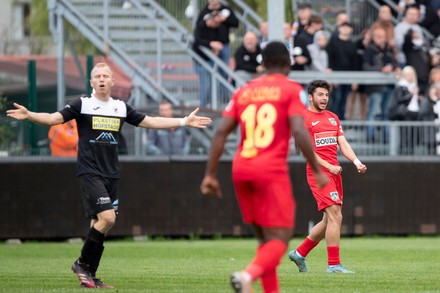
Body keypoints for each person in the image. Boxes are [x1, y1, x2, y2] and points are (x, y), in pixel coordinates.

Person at [6, 62, 212, 289]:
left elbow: (151, 121)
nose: (102, 79)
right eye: (98, 76)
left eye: (106, 75)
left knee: (100, 222)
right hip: (90, 171)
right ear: (92, 82)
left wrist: (184, 121)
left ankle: (90, 275)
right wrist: (29, 115)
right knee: (108, 218)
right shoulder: (82, 104)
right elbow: (54, 118)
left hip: (111, 174)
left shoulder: (120, 107)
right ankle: (82, 263)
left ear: (112, 82)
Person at [200, 41, 328, 293]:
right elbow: (299, 131)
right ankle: (248, 276)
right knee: (280, 241)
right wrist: (316, 167)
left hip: (241, 169)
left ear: (262, 64)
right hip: (269, 170)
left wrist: (210, 174)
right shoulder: (291, 90)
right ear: (289, 63)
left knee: (265, 243)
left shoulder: (244, 91)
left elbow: (220, 132)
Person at [288, 79, 367, 274]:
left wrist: (356, 162)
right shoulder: (303, 119)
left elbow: (343, 143)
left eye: (326, 95)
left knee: (328, 220)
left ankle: (299, 253)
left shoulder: (333, 117)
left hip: (334, 172)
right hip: (319, 173)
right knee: (335, 216)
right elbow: (307, 151)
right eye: (320, 95)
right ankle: (334, 265)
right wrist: (328, 166)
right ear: (310, 97)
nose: (324, 98)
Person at [192, 0, 239, 107]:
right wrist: (211, 44)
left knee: (223, 76)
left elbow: (235, 23)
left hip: (219, 51)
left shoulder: (225, 11)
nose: (216, 23)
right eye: (214, 21)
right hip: (204, 56)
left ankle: (223, 103)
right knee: (207, 83)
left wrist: (224, 20)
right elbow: (197, 39)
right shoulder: (203, 18)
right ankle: (204, 107)